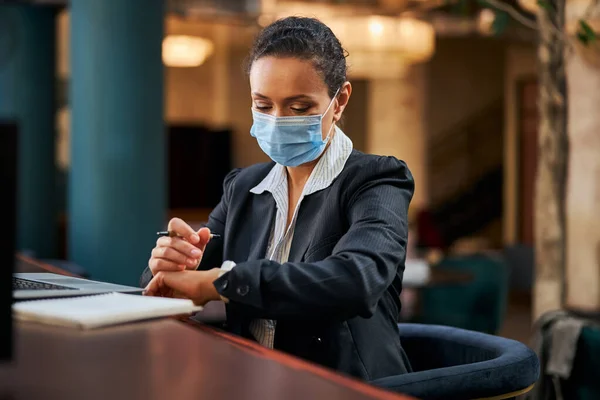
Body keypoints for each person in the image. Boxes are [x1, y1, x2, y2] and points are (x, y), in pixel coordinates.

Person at [141, 16, 414, 381]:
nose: (278, 120)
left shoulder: (377, 181)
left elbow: (355, 281)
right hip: (246, 379)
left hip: (341, 388)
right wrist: (171, 266)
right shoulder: (243, 187)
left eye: (298, 108)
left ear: (340, 101)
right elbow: (183, 280)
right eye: (263, 106)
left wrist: (221, 282)